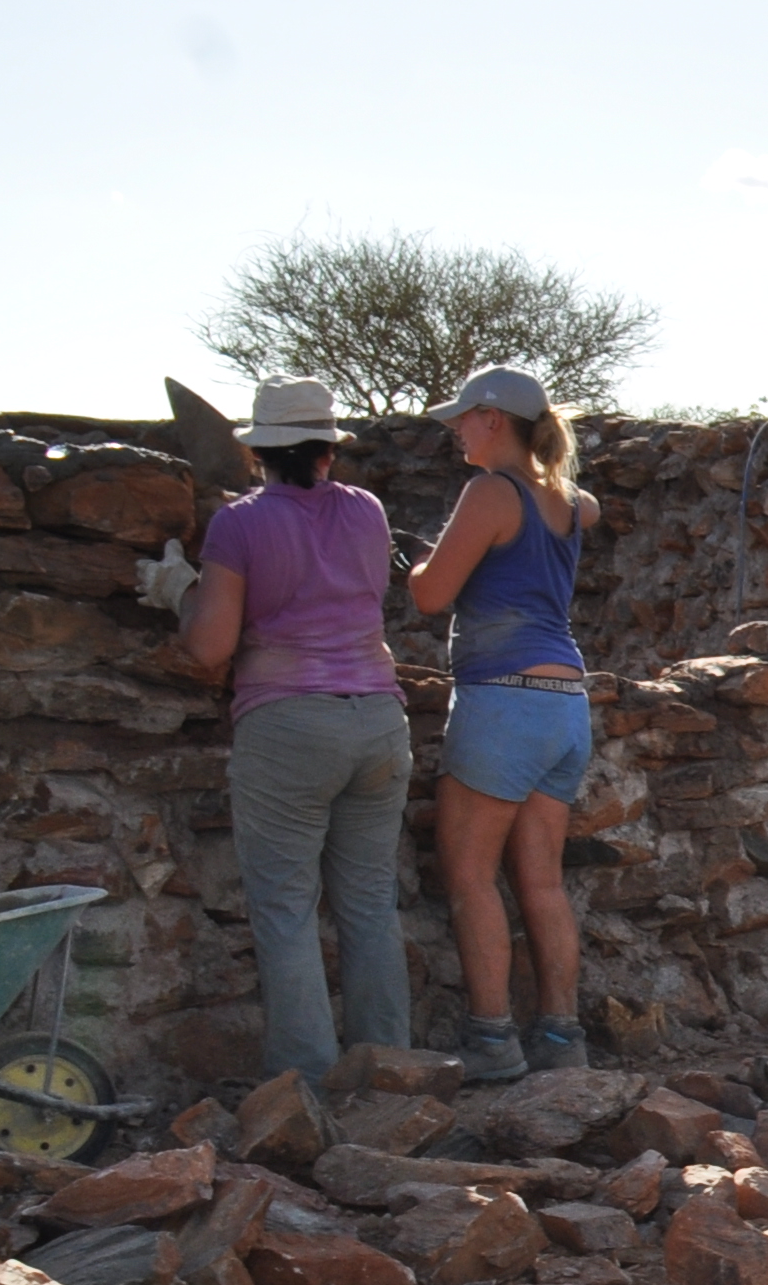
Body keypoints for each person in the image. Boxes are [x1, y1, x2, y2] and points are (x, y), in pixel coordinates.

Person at [154, 378, 414, 1082]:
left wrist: (177, 589)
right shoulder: (367, 511)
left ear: (261, 450)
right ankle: (388, 1076)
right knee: (368, 904)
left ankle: (307, 1090)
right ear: (330, 448)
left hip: (288, 721)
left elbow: (210, 646)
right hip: (380, 720)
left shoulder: (239, 522)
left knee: (287, 911)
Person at [404, 366, 600, 1080]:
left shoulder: (489, 492)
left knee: (470, 877)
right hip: (565, 704)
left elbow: (431, 596)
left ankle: (492, 1041)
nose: (456, 429)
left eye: (463, 417)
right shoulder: (573, 502)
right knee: (541, 881)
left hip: (502, 700)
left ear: (493, 418)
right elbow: (588, 507)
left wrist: (413, 565)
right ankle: (562, 1038)